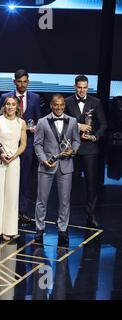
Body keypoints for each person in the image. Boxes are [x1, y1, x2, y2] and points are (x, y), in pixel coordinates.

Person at [34, 94, 81, 246]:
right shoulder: (42, 122)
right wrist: (43, 160)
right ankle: (39, 229)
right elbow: (37, 144)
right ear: (51, 105)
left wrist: (72, 151)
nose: (59, 107)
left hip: (66, 166)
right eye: (56, 105)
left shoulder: (73, 121)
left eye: (61, 105)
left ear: (64, 105)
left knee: (65, 201)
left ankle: (62, 229)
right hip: (47, 165)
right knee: (41, 200)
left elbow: (76, 141)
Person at [0, 69, 41, 225]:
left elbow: (39, 120)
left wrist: (34, 128)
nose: (22, 84)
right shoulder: (5, 97)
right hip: (8, 145)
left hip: (27, 145)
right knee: (6, 178)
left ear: (28, 81)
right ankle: (5, 210)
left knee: (24, 179)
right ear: (14, 82)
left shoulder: (35, 98)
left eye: (25, 81)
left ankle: (21, 211)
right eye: (19, 81)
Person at [65, 75, 107, 228]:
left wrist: (95, 136)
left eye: (85, 87)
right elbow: (63, 121)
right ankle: (65, 216)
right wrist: (78, 126)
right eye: (79, 87)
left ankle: (91, 215)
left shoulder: (96, 102)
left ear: (88, 87)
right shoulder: (68, 101)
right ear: (75, 87)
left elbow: (103, 124)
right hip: (71, 148)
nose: (82, 90)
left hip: (90, 149)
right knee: (67, 183)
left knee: (91, 184)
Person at [0, 96, 27, 243]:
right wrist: (0, 154)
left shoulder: (21, 123)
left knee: (11, 195)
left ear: (17, 107)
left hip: (14, 162)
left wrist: (14, 156)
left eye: (13, 104)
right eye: (8, 104)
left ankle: (9, 230)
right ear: (4, 106)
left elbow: (23, 144)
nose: (10, 107)